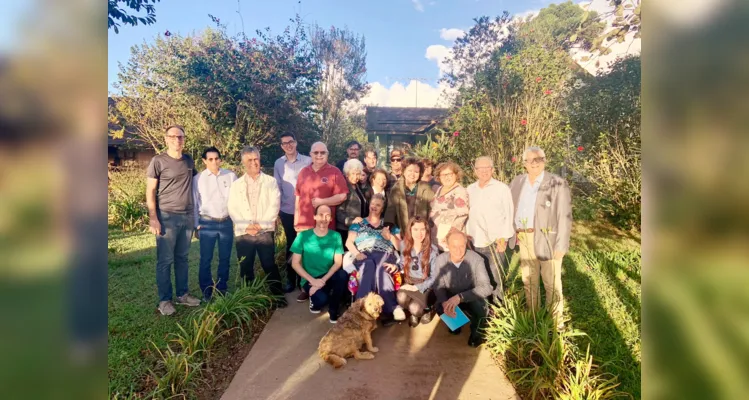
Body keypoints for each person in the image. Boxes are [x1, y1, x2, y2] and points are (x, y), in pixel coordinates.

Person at [509, 146, 572, 330]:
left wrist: (562, 244)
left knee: (551, 281)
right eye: (530, 160)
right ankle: (534, 318)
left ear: (544, 161)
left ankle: (556, 322)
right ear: (524, 164)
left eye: (539, 159)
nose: (534, 163)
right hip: (524, 237)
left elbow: (564, 216)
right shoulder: (518, 181)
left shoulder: (557, 183)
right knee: (529, 280)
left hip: (548, 239)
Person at [146, 125, 201, 315]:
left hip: (186, 217)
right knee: (165, 260)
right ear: (166, 139)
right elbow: (150, 190)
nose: (177, 140)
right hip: (167, 216)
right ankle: (164, 300)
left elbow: (196, 186)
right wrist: (154, 218)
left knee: (182, 258)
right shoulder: (158, 161)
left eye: (180, 137)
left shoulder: (188, 161)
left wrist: (196, 218)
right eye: (173, 136)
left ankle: (183, 295)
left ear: (184, 139)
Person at [228, 146, 286, 307]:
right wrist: (247, 226)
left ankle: (278, 296)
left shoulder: (271, 182)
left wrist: (260, 225)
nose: (254, 163)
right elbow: (232, 208)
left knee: (269, 264)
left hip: (264, 230)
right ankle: (249, 298)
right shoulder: (236, 184)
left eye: (256, 159)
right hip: (243, 232)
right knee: (245, 265)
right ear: (243, 162)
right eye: (249, 160)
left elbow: (274, 205)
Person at [294, 142, 348, 302]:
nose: (319, 156)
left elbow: (342, 196)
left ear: (327, 154)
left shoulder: (334, 172)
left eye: (322, 153)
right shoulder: (304, 172)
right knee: (304, 257)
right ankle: (306, 286)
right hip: (304, 222)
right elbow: (298, 197)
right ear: (310, 154)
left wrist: (322, 201)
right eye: (315, 152)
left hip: (324, 224)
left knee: (324, 256)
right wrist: (296, 220)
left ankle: (323, 284)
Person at [346, 195, 403, 324]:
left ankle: (391, 309)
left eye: (378, 205)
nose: (374, 207)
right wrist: (356, 253)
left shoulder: (389, 225)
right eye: (373, 204)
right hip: (364, 254)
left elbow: (400, 246)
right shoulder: (358, 223)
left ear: (382, 209)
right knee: (369, 265)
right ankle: (360, 309)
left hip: (385, 253)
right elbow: (349, 242)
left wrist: (390, 237)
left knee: (382, 268)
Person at [466, 156, 514, 305]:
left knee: (496, 274)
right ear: (475, 171)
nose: (484, 171)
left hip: (495, 241)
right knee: (480, 276)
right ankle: (484, 306)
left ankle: (498, 305)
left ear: (493, 170)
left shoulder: (502, 188)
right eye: (480, 168)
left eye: (487, 168)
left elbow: (509, 213)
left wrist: (504, 238)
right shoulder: (469, 189)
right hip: (475, 240)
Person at [433, 230, 493, 347]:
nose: (458, 250)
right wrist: (445, 302)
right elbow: (438, 285)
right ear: (447, 246)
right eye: (454, 246)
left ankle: (477, 332)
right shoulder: (440, 260)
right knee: (439, 305)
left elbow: (487, 287)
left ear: (466, 244)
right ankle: (456, 324)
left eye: (462, 246)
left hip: (471, 297)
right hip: (451, 298)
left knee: (481, 308)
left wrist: (460, 297)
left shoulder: (476, 259)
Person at [290, 205, 349, 323]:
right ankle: (314, 300)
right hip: (310, 279)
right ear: (315, 217)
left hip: (328, 276)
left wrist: (322, 281)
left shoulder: (335, 236)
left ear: (331, 219)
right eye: (321, 215)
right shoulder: (303, 236)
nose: (324, 218)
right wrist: (313, 281)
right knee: (321, 300)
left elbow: (338, 262)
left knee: (342, 275)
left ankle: (333, 310)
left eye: (327, 215)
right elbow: (295, 263)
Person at [193, 146, 238, 301]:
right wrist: (195, 224)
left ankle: (221, 288)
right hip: (207, 223)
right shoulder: (198, 179)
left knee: (225, 258)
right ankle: (206, 290)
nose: (214, 162)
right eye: (210, 159)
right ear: (204, 161)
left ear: (220, 159)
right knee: (206, 258)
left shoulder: (231, 176)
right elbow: (194, 202)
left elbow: (238, 199)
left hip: (226, 222)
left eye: (216, 158)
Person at [273, 132, 311, 294]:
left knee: (307, 246)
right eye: (284, 143)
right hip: (287, 211)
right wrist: (277, 212)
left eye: (290, 142)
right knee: (291, 245)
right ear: (281, 146)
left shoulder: (307, 161)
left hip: (306, 212)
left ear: (296, 142)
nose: (288, 145)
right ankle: (291, 279)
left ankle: (306, 281)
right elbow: (277, 188)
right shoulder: (278, 164)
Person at [396, 217, 438, 328]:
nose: (419, 233)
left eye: (422, 229)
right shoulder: (404, 245)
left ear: (427, 231)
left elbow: (435, 276)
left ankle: (427, 309)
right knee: (401, 297)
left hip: (425, 284)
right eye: (415, 229)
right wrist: (394, 266)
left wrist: (418, 287)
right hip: (409, 281)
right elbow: (401, 263)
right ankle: (413, 309)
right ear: (410, 230)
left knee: (416, 309)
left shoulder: (433, 250)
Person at [384, 157, 435, 232]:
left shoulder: (425, 187)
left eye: (416, 172)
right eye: (409, 171)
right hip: (402, 230)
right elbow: (391, 209)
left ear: (420, 174)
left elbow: (433, 207)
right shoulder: (397, 188)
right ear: (404, 171)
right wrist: (387, 227)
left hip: (420, 231)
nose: (412, 174)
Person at [429, 161, 469, 252]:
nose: (447, 177)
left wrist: (451, 232)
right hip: (436, 235)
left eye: (450, 174)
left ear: (456, 175)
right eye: (443, 175)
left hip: (449, 237)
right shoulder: (440, 189)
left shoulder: (459, 191)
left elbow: (462, 215)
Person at [336, 159, 369, 246]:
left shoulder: (357, 186)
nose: (355, 177)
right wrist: (351, 221)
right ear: (347, 174)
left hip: (357, 229)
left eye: (358, 174)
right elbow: (338, 211)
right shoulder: (344, 187)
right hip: (345, 230)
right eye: (353, 174)